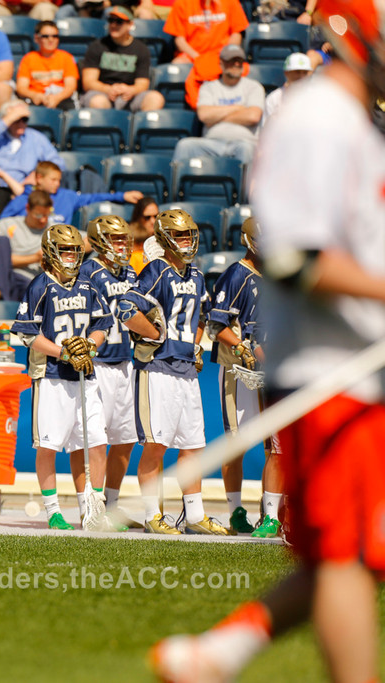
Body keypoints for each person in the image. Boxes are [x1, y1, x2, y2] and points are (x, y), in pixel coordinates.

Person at [151, 0, 385, 677]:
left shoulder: (356, 127)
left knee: (355, 551)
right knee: (344, 554)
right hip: (329, 369)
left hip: (359, 368)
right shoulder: (316, 121)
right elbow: (291, 255)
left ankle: (219, 651)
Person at [122, 208, 228, 535]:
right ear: (166, 238)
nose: (186, 241)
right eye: (180, 235)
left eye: (189, 234)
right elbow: (126, 308)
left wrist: (194, 345)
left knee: (193, 445)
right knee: (157, 444)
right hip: (158, 369)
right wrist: (155, 334)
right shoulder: (157, 269)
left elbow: (201, 317)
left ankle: (194, 516)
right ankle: (152, 514)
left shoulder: (196, 274)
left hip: (186, 370)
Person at [11, 223, 112, 530]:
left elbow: (102, 324)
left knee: (95, 441)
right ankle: (53, 510)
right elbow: (27, 334)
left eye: (74, 250)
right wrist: (63, 352)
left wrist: (90, 346)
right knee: (50, 445)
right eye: (65, 250)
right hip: (52, 374)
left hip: (85, 373)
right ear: (52, 252)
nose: (70, 256)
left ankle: (93, 509)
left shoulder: (89, 283)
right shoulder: (41, 284)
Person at [79, 215, 161, 530]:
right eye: (115, 240)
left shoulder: (130, 271)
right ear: (99, 241)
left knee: (125, 439)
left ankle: (111, 506)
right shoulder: (87, 271)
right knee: (96, 441)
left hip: (126, 362)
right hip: (98, 362)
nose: (122, 246)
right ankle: (93, 506)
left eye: (124, 240)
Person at [205, 216, 284, 537]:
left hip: (275, 368)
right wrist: (243, 348)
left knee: (277, 446)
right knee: (236, 443)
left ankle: (272, 515)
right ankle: (236, 510)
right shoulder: (237, 275)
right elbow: (216, 324)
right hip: (240, 370)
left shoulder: (279, 274)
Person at [173, 44, 265, 165]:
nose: (236, 64)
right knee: (185, 145)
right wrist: (237, 108)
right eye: (232, 61)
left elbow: (253, 117)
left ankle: (244, 184)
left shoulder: (254, 86)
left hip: (243, 142)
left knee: (246, 148)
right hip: (211, 143)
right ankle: (177, 183)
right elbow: (204, 116)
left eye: (239, 61)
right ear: (221, 64)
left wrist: (216, 117)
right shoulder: (208, 87)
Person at [0, 99, 65, 213]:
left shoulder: (35, 137)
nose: (21, 123)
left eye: (25, 119)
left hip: (19, 191)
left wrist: (36, 174)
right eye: (17, 119)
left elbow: (58, 163)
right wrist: (8, 119)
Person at [0, 160, 142, 223]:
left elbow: (94, 197)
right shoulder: (24, 199)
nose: (57, 183)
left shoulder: (67, 196)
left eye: (59, 180)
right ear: (39, 178)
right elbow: (3, 223)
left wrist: (122, 195)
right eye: (53, 180)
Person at [80, 5, 165, 111]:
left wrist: (131, 90)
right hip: (102, 93)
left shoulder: (141, 49)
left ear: (130, 24)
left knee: (155, 98)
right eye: (111, 20)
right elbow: (88, 82)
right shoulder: (97, 46)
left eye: (119, 21)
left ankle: (140, 127)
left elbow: (142, 83)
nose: (114, 25)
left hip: (129, 95)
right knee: (98, 102)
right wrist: (108, 89)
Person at [0, 189, 53, 300]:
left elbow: (86, 240)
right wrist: (36, 257)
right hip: (6, 275)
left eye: (46, 215)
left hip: (32, 280)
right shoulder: (7, 224)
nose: (43, 220)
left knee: (34, 287)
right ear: (28, 208)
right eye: (38, 215)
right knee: (1, 240)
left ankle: (3, 304)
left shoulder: (54, 230)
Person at [15, 20, 79, 110]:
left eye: (55, 36)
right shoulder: (29, 58)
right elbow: (21, 87)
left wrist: (57, 98)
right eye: (45, 36)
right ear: (36, 38)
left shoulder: (66, 57)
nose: (51, 39)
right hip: (35, 100)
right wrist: (35, 95)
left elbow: (71, 86)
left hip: (62, 99)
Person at [163, 0, 249, 64]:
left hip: (222, 55)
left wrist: (225, 55)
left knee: (235, 64)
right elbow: (179, 40)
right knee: (177, 64)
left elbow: (236, 33)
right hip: (192, 56)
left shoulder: (230, 1)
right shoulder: (182, 2)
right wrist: (198, 58)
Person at [263, 52, 314, 123]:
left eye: (305, 72)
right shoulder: (273, 98)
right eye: (297, 72)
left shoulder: (316, 97)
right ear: (286, 73)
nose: (302, 76)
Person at [127, 195, 159, 274]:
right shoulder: (130, 240)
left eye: (155, 216)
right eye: (147, 217)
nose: (153, 221)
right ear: (138, 218)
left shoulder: (165, 239)